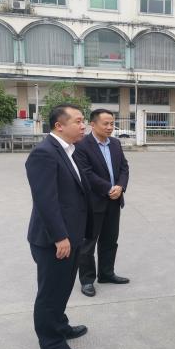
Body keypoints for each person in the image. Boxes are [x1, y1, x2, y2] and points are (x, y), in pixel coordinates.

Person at [25, 104, 92, 349]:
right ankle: (51, 346)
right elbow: (46, 200)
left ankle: (60, 325)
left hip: (70, 236)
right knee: (50, 294)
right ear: (59, 126)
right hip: (54, 240)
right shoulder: (44, 153)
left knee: (62, 288)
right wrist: (59, 237)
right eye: (78, 121)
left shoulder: (68, 150)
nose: (83, 125)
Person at [74, 109, 130, 297]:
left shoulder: (115, 143)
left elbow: (124, 167)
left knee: (110, 240)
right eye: (105, 123)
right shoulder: (81, 145)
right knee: (88, 244)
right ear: (93, 124)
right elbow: (86, 173)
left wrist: (120, 186)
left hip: (114, 201)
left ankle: (106, 274)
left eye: (112, 123)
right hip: (93, 203)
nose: (109, 127)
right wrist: (109, 188)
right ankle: (87, 280)